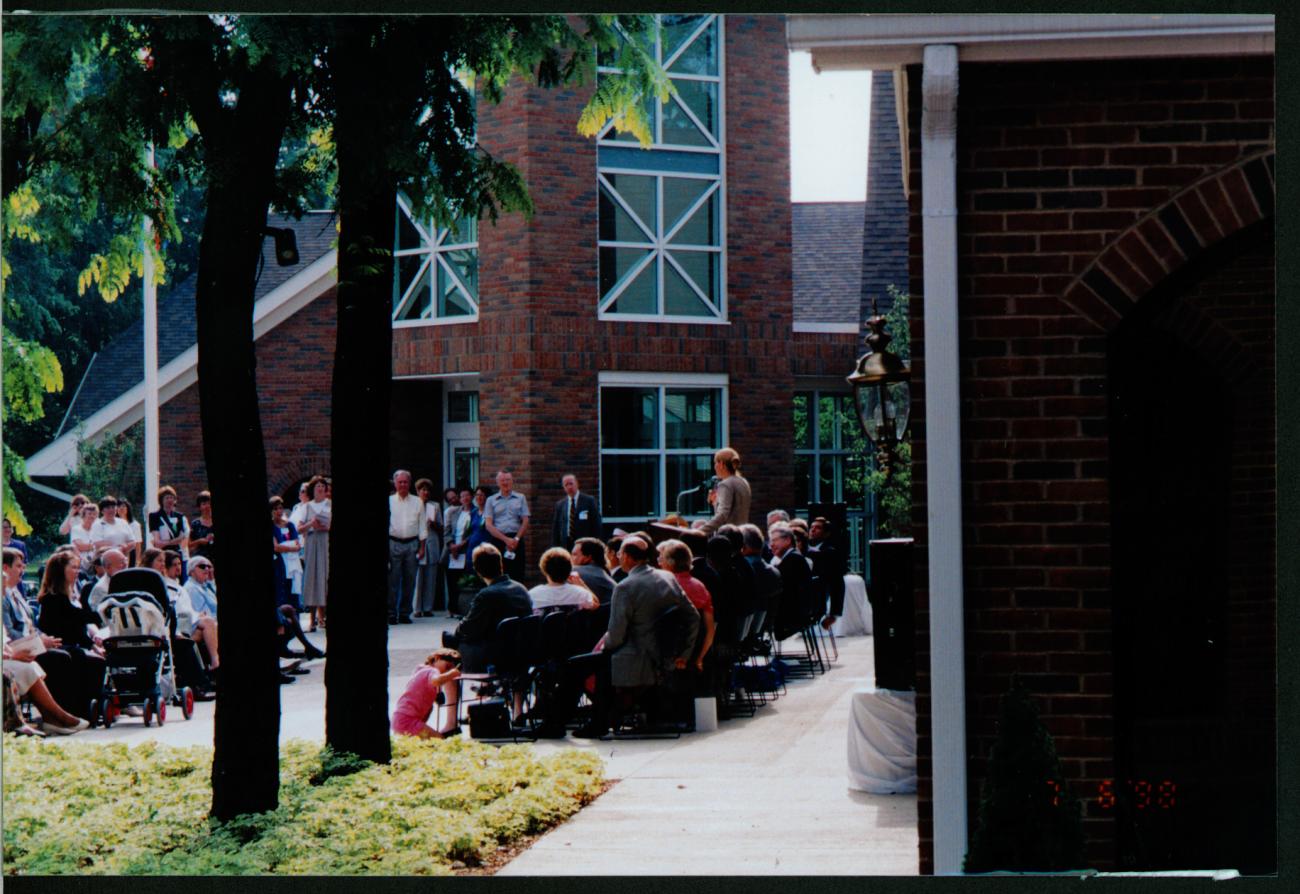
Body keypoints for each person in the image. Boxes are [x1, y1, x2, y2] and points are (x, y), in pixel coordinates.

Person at [3, 548, 85, 722]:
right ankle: (59, 714)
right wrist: (37, 641)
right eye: (18, 566)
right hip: (19, 648)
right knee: (61, 657)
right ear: (5, 568)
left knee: (75, 654)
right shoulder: (4, 599)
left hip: (31, 644)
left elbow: (31, 625)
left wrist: (43, 638)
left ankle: (79, 709)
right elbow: (9, 632)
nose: (22, 570)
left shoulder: (16, 593)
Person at [34, 551, 107, 716]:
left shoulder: (69, 595)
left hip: (71, 642)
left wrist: (93, 646)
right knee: (77, 655)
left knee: (98, 661)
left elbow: (76, 627)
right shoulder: (52, 597)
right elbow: (74, 622)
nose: (77, 571)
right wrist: (103, 615)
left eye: (78, 567)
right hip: (58, 644)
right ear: (61, 571)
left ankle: (93, 707)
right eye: (73, 567)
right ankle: (77, 709)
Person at [441, 544, 531, 673]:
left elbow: (468, 628)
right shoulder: (521, 589)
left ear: (477, 570)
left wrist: (459, 629)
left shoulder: (486, 595)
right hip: (522, 654)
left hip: (494, 657)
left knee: (448, 646)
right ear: (500, 564)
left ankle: (452, 693)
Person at [657, 539, 714, 672]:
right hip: (692, 654)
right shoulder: (700, 587)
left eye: (662, 559)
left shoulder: (662, 586)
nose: (659, 564)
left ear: (670, 563)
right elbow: (710, 629)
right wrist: (700, 658)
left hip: (665, 656)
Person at [391, 648, 462, 739]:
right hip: (408, 720)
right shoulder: (432, 671)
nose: (447, 671)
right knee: (438, 741)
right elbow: (436, 681)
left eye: (450, 669)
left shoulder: (421, 670)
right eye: (447, 667)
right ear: (437, 658)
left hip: (400, 718)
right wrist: (452, 673)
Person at [387, 470, 427, 625]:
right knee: (393, 580)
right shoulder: (389, 501)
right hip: (393, 543)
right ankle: (391, 613)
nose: (403, 484)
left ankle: (404, 613)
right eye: (400, 482)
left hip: (412, 544)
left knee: (410, 580)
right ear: (395, 483)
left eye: (405, 482)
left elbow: (422, 526)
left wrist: (422, 547)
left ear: (409, 483)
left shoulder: (418, 502)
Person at [484, 470, 530, 583]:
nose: (505, 482)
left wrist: (516, 539)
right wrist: (506, 540)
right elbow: (488, 525)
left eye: (508, 480)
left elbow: (525, 520)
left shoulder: (521, 498)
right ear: (497, 482)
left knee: (518, 574)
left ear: (512, 481)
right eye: (502, 480)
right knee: (499, 574)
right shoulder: (491, 500)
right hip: (498, 540)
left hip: (516, 541)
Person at [695, 447, 751, 536]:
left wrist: (699, 531)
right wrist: (715, 503)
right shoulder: (743, 482)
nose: (714, 467)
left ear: (721, 464)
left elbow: (722, 515)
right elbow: (735, 509)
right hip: (742, 535)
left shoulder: (725, 484)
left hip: (728, 537)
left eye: (715, 463)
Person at [299, 475, 331, 631]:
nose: (320, 488)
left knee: (325, 577)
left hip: (326, 542)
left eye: (322, 485)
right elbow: (298, 528)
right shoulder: (307, 506)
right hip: (312, 543)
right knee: (312, 578)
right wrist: (311, 523)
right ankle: (312, 620)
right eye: (317, 485)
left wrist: (327, 527)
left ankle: (323, 617)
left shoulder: (330, 505)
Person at [528, 548, 598, 613]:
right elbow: (596, 605)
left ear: (544, 569)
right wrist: (581, 584)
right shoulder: (581, 594)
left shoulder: (532, 595)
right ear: (569, 568)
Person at [181, 557, 220, 671]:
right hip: (197, 625)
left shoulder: (205, 586)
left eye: (209, 566)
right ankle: (215, 663)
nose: (207, 569)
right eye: (202, 566)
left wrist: (212, 581)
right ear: (192, 571)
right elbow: (204, 613)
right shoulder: (192, 589)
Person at [808, 517, 847, 630]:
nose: (813, 530)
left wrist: (834, 614)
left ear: (826, 534)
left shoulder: (830, 553)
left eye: (818, 528)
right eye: (812, 527)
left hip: (815, 603)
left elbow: (837, 583)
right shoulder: (802, 549)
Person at [443, 487, 477, 617]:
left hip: (466, 549)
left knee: (464, 580)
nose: (465, 498)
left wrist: (460, 546)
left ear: (471, 496)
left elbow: (473, 532)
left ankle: (463, 609)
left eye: (467, 495)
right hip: (452, 551)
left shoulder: (475, 512)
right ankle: (452, 609)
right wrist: (452, 546)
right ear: (459, 498)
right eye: (462, 496)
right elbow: (446, 531)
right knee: (451, 580)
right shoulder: (453, 512)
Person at [413, 478, 444, 618]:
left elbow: (441, 526)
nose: (425, 492)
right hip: (418, 543)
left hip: (432, 542)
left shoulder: (435, 506)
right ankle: (416, 608)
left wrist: (434, 524)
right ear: (418, 491)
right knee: (418, 576)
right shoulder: (413, 505)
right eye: (422, 490)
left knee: (430, 577)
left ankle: (427, 607)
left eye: (427, 490)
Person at [551, 474, 601, 551]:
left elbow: (596, 524)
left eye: (571, 483)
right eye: (566, 485)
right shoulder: (560, 505)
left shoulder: (589, 501)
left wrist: (596, 544)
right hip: (566, 543)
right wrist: (555, 547)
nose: (569, 487)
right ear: (564, 488)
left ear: (577, 484)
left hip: (584, 543)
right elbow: (556, 528)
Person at [270, 497, 303, 613]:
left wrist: (288, 548)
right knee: (282, 591)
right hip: (280, 564)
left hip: (293, 562)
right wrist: (291, 548)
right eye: (275, 509)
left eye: (280, 508)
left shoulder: (290, 525)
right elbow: (276, 547)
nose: (278, 511)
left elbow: (298, 545)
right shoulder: (271, 527)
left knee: (293, 591)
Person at [149, 485, 190, 569]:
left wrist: (167, 542)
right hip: (162, 556)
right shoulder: (154, 516)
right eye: (167, 498)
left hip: (177, 556)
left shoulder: (180, 517)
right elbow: (157, 543)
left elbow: (181, 538)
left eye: (172, 497)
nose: (170, 500)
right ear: (161, 500)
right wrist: (174, 541)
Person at [571, 537, 617, 604]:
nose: (571, 557)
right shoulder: (603, 574)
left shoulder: (575, 572)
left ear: (588, 557)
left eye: (574, 554)